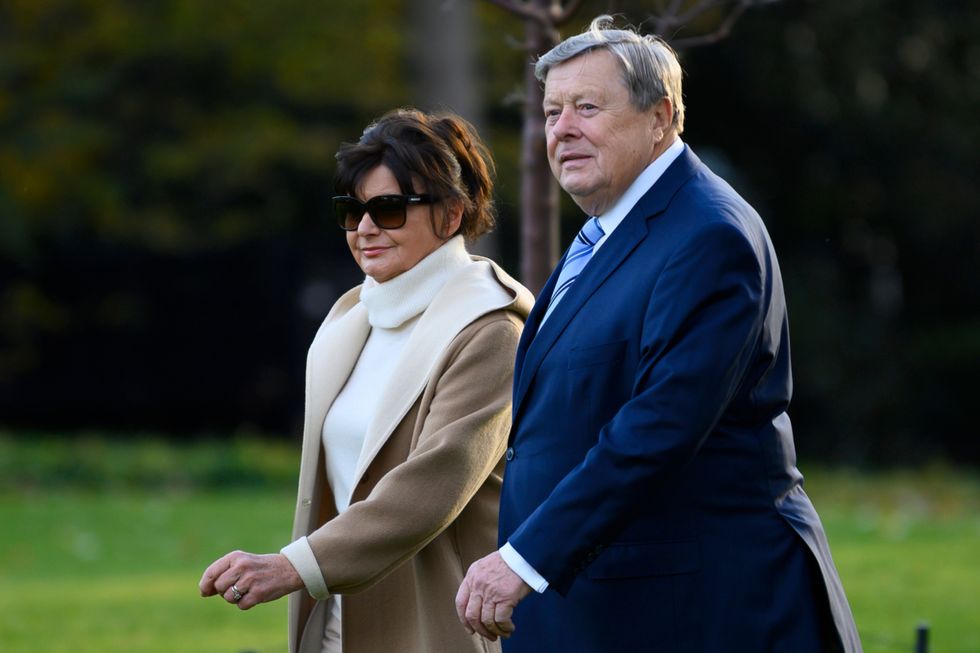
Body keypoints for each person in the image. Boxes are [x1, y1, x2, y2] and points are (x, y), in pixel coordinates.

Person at [456, 16, 862, 653]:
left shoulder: (709, 235)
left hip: (698, 608)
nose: (562, 129)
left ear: (661, 117)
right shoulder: (611, 228)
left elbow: (660, 425)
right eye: (553, 111)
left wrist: (526, 557)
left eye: (587, 107)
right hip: (605, 601)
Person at [199, 108, 534, 653]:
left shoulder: (491, 330)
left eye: (389, 209)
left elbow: (431, 487)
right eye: (351, 211)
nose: (365, 228)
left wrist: (293, 566)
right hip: (337, 624)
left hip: (436, 628)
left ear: (451, 214)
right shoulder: (352, 316)